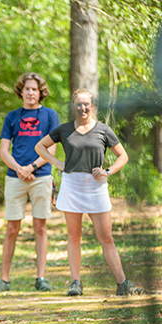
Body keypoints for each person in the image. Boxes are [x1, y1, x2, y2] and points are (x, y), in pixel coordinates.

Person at [35, 89, 143, 297]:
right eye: (78, 104)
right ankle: (76, 282)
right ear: (73, 107)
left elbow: (123, 156)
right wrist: (57, 163)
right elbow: (40, 146)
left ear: (92, 106)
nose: (83, 108)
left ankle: (123, 283)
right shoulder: (64, 130)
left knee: (106, 237)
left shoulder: (103, 130)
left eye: (86, 104)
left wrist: (108, 171)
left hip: (96, 187)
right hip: (72, 185)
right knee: (74, 235)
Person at [0, 72, 60, 294]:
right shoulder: (12, 117)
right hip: (15, 177)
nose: (30, 92)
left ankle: (41, 278)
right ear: (21, 92)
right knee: (12, 228)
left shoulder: (50, 115)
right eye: (27, 88)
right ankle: (4, 280)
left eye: (34, 89)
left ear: (41, 93)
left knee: (40, 226)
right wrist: (19, 169)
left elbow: (52, 149)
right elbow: (3, 151)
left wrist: (32, 167)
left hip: (41, 176)